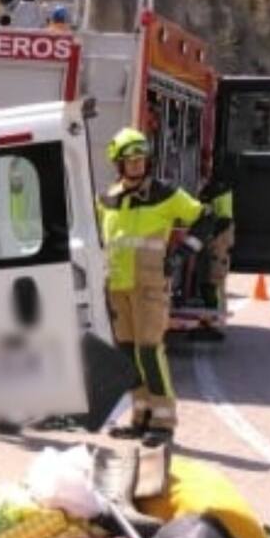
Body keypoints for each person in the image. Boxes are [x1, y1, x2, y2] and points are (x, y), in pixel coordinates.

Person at [98, 127, 217, 444]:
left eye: (141, 159)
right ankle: (140, 418)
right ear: (119, 165)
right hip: (117, 287)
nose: (137, 165)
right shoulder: (108, 199)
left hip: (149, 288)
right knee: (126, 355)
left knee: (149, 352)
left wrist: (181, 253)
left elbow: (207, 218)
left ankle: (163, 423)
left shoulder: (166, 194)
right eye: (130, 160)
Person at [196, 171, 234, 336]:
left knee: (213, 279)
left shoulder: (218, 189)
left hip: (219, 235)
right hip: (216, 234)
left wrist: (211, 235)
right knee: (209, 280)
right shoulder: (215, 189)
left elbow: (224, 219)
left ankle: (214, 321)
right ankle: (211, 319)